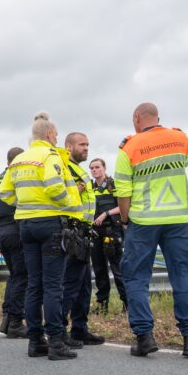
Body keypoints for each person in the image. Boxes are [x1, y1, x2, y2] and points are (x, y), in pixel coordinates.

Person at [115, 102, 188, 358]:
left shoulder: (129, 147)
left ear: (136, 118)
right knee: (183, 277)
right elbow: (184, 163)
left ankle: (144, 338)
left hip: (143, 222)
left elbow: (123, 192)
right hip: (179, 219)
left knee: (135, 278)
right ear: (158, 117)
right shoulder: (180, 138)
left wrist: (125, 219)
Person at [0, 111, 83, 360]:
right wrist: (66, 205)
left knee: (34, 283)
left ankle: (35, 342)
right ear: (48, 134)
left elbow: (6, 194)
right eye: (56, 134)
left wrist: (26, 205)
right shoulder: (50, 155)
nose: (57, 139)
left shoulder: (19, 160)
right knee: (53, 285)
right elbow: (56, 186)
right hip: (50, 223)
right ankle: (56, 342)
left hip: (26, 224)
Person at [61, 133, 106, 347]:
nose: (86, 148)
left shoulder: (78, 169)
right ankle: (59, 330)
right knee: (70, 284)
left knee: (84, 286)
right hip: (72, 232)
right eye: (82, 144)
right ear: (69, 147)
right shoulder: (64, 167)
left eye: (88, 144)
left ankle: (80, 329)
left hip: (84, 232)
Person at [0, 146, 27, 338]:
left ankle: (7, 318)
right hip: (17, 230)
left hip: (2, 232)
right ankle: (15, 322)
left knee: (14, 276)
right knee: (22, 276)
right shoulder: (18, 178)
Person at [89, 158, 128, 313]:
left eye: (97, 167)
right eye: (91, 168)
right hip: (95, 233)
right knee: (99, 270)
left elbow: (124, 205)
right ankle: (102, 304)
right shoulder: (89, 188)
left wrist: (106, 213)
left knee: (117, 269)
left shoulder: (113, 185)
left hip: (112, 231)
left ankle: (127, 304)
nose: (94, 170)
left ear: (104, 168)